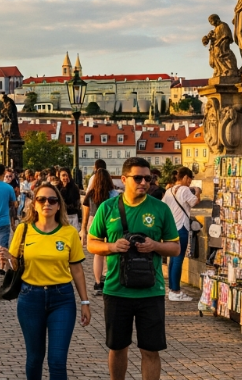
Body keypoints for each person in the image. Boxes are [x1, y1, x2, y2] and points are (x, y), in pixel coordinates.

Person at [87, 157, 180, 380]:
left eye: (148, 178)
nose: (144, 182)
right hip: (117, 290)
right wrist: (112, 246)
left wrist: (155, 246)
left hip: (151, 291)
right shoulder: (108, 208)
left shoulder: (160, 208)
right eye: (138, 178)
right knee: (118, 347)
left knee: (150, 350)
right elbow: (91, 243)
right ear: (124, 179)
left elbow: (175, 248)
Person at [0, 182, 91, 379]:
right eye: (41, 199)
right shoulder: (23, 230)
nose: (46, 203)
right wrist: (7, 258)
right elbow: (15, 266)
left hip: (62, 299)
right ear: (34, 205)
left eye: (52, 200)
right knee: (34, 358)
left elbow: (76, 269)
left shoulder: (69, 232)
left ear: (59, 205)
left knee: (57, 360)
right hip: (30, 298)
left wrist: (85, 302)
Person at [162, 167, 201, 302]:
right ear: (185, 177)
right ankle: (176, 291)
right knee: (178, 260)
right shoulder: (184, 189)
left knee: (172, 260)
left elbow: (163, 207)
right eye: (189, 179)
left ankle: (172, 289)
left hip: (170, 229)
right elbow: (195, 202)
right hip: (181, 227)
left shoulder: (169, 191)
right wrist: (197, 191)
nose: (190, 182)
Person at [82, 168, 120, 296]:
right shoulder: (114, 194)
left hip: (93, 221)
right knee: (109, 250)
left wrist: (84, 228)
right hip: (110, 220)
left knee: (98, 253)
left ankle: (98, 282)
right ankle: (109, 277)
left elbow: (86, 210)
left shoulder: (91, 193)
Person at [58, 167, 81, 235]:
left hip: (72, 216)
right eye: (63, 175)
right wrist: (64, 188)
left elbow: (76, 203)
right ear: (59, 176)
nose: (65, 177)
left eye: (66, 175)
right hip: (61, 216)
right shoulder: (57, 187)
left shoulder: (74, 187)